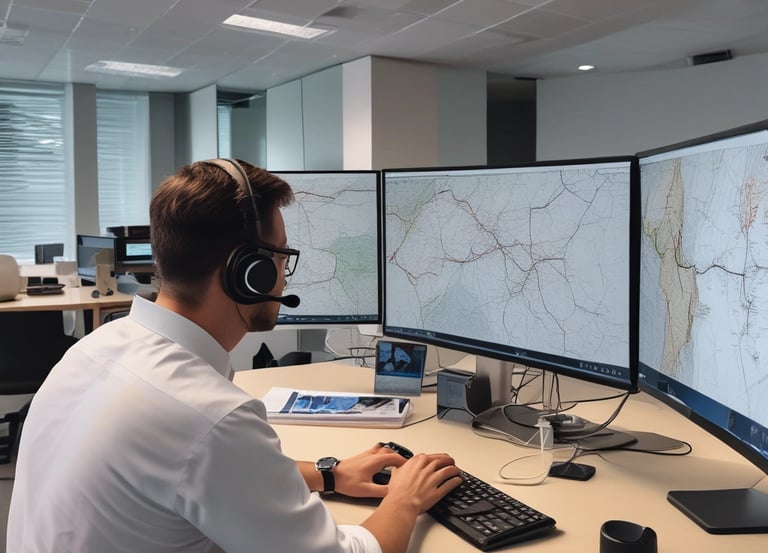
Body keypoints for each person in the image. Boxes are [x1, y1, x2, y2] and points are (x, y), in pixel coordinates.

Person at [6, 159, 462, 553]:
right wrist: (405, 497)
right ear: (250, 272)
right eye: (282, 257)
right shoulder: (209, 417)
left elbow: (202, 478)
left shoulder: (93, 349)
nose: (284, 274)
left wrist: (330, 474)